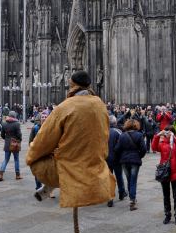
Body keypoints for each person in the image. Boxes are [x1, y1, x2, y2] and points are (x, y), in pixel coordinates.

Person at [26, 70, 115, 208]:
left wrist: (31, 153)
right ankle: (50, 186)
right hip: (96, 165)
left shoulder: (65, 107)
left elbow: (44, 140)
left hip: (71, 166)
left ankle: (52, 184)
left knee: (37, 158)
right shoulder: (100, 105)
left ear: (72, 85)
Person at [152, 128, 176, 225]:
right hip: (164, 172)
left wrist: (174, 138)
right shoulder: (162, 144)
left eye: (169, 132)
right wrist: (158, 135)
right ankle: (167, 214)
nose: (167, 134)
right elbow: (154, 147)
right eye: (166, 132)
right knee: (166, 195)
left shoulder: (175, 142)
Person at [114, 119, 147, 211]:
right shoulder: (139, 135)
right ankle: (132, 200)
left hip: (124, 160)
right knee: (133, 180)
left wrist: (121, 156)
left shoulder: (122, 136)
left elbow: (117, 149)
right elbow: (143, 149)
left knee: (129, 180)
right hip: (135, 161)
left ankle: (131, 198)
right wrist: (139, 156)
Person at [106, 115, 127, 207]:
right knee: (119, 176)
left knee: (108, 178)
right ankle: (121, 193)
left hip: (106, 158)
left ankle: (109, 198)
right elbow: (122, 145)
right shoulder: (118, 131)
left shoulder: (104, 132)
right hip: (116, 158)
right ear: (115, 123)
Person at [0, 111, 22, 181]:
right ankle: (17, 175)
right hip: (15, 143)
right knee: (16, 159)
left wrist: (6, 139)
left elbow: (2, 134)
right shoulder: (17, 124)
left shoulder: (4, 123)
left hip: (7, 143)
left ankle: (1, 173)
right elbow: (19, 134)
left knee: (6, 159)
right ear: (15, 116)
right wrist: (19, 139)